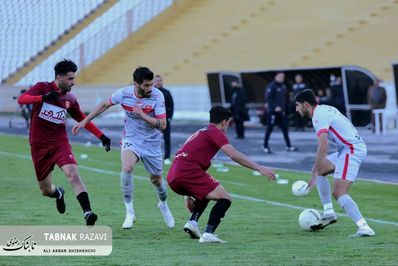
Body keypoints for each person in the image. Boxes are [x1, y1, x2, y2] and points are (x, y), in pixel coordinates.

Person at [72, 66, 175, 230]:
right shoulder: (124, 93)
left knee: (156, 179)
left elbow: (162, 125)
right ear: (136, 84)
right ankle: (130, 212)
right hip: (131, 139)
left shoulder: (157, 95)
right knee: (127, 168)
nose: (150, 88)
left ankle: (163, 204)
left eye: (151, 84)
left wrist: (142, 114)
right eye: (146, 85)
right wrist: (85, 121)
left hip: (152, 143)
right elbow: (105, 104)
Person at [17, 59, 111, 226]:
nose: (73, 82)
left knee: (73, 174)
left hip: (60, 143)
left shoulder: (70, 99)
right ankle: (59, 194)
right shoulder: (42, 87)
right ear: (59, 77)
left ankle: (88, 213)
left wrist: (101, 136)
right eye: (70, 79)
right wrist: (42, 98)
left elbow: (82, 119)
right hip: (39, 146)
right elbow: (22, 99)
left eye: (74, 78)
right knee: (46, 190)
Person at [167, 106, 275, 243]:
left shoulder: (201, 132)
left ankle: (192, 222)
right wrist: (259, 167)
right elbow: (233, 154)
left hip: (173, 176)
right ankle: (208, 233)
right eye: (228, 123)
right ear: (224, 122)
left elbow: (185, 156)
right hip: (188, 172)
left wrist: (187, 195)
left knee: (210, 190)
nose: (227, 127)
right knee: (225, 198)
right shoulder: (215, 132)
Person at [294, 89, 375, 237]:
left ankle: (364, 227)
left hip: (351, 150)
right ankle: (329, 213)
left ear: (306, 104)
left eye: (298, 105)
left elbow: (323, 146)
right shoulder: (324, 109)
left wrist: (313, 171)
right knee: (320, 171)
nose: (296, 109)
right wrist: (316, 169)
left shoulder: (318, 116)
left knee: (339, 192)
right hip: (346, 149)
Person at [263, 72, 297, 153]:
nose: (282, 78)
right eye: (280, 76)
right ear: (276, 76)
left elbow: (285, 98)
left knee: (285, 128)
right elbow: (268, 98)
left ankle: (288, 146)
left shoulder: (283, 86)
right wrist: (275, 107)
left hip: (282, 112)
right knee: (269, 129)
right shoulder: (271, 86)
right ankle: (265, 146)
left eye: (283, 77)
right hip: (273, 112)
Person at [154, 74, 174, 165]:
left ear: (162, 81)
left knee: (167, 139)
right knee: (152, 138)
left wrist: (169, 118)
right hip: (153, 121)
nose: (158, 82)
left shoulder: (166, 92)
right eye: (157, 80)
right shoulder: (150, 92)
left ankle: (167, 157)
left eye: (160, 80)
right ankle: (151, 156)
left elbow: (171, 106)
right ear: (154, 81)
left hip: (165, 120)